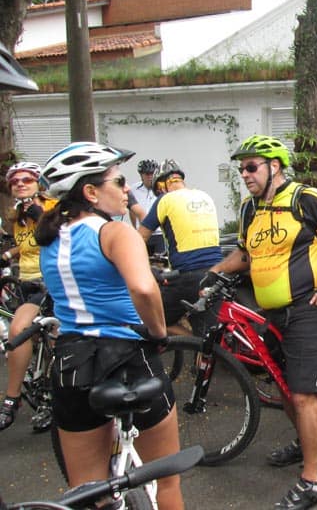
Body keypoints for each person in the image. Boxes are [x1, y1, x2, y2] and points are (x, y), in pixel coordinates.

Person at [203, 135, 317, 510]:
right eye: (241, 169)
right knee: (284, 387)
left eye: (251, 167)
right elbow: (245, 254)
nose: (245, 174)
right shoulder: (250, 209)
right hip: (274, 314)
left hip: (310, 309)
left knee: (304, 394)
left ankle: (311, 482)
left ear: (274, 166)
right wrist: (215, 271)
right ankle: (305, 442)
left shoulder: (304, 198)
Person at [35, 142, 183, 510]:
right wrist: (159, 332)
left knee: (88, 491)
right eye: (118, 181)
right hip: (126, 357)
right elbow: (143, 288)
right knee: (166, 480)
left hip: (71, 362)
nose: (127, 188)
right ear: (90, 192)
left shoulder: (49, 241)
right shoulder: (115, 233)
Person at [0, 162, 58, 432]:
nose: (20, 184)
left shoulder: (52, 206)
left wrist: (41, 214)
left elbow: (61, 236)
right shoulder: (17, 215)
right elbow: (26, 246)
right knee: (32, 343)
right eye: (15, 182)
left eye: (26, 180)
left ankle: (11, 401)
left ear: (39, 184)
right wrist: (8, 255)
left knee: (20, 332)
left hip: (49, 282)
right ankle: (42, 392)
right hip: (25, 281)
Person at [137, 159, 222, 336]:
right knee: (209, 329)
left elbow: (139, 238)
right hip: (217, 274)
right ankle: (203, 344)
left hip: (188, 276)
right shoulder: (204, 196)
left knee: (152, 318)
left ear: (161, 186)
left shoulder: (165, 199)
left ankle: (193, 344)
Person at [128, 158, 165, 255]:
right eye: (147, 174)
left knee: (160, 261)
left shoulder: (163, 189)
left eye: (152, 173)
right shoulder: (133, 189)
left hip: (159, 234)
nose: (150, 177)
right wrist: (135, 228)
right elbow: (132, 210)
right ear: (141, 175)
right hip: (142, 233)